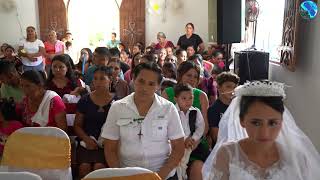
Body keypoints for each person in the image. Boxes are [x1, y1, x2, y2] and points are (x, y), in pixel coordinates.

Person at [203, 81, 320, 180]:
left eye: (272, 123)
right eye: (256, 123)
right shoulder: (227, 154)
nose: (264, 133)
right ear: (242, 120)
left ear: (282, 121)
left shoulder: (297, 158)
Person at [101, 63, 185, 180]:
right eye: (141, 81)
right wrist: (120, 176)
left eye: (151, 84)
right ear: (133, 79)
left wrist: (159, 177)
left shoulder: (168, 108)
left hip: (163, 174)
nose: (144, 88)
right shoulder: (117, 107)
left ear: (158, 87)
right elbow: (110, 148)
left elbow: (179, 147)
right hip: (128, 174)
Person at [74, 66, 114, 178]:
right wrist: (87, 140)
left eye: (102, 78)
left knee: (99, 168)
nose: (98, 82)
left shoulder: (117, 102)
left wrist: (107, 143)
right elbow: (77, 125)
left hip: (108, 144)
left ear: (110, 80)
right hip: (86, 142)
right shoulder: (85, 100)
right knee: (84, 168)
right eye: (95, 78)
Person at [174, 83, 205, 180]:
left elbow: (201, 127)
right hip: (176, 143)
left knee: (184, 161)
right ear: (176, 99)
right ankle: (180, 176)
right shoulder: (172, 112)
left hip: (191, 143)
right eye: (184, 98)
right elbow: (172, 129)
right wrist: (183, 139)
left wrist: (193, 138)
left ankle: (183, 175)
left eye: (190, 98)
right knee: (177, 161)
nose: (188, 101)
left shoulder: (195, 111)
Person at [207, 72, 239, 144]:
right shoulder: (213, 109)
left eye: (234, 87)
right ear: (218, 87)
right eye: (228, 86)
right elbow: (216, 137)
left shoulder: (238, 107)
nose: (232, 90)